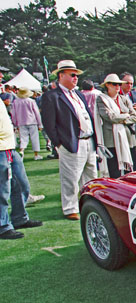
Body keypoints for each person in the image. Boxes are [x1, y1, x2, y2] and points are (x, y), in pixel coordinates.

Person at [41, 60, 97, 220]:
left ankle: (90, 203)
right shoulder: (51, 96)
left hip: (88, 141)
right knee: (71, 177)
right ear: (61, 75)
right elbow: (49, 124)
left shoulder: (78, 94)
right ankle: (70, 208)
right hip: (71, 142)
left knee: (91, 175)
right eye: (72, 75)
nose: (75, 78)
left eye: (77, 75)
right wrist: (59, 143)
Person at [0, 100, 43, 239]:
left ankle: (19, 218)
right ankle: (3, 226)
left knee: (21, 185)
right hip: (2, 148)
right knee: (3, 190)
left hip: (9, 147)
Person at [95, 74, 136, 178]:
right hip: (111, 139)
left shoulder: (124, 99)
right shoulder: (101, 99)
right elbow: (109, 117)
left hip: (128, 138)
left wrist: (121, 119)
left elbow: (134, 117)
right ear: (108, 85)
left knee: (131, 170)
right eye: (115, 84)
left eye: (119, 84)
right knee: (114, 170)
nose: (117, 86)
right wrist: (125, 115)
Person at [11, 88, 43, 160]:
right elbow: (36, 113)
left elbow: (14, 114)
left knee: (23, 138)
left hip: (21, 122)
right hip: (32, 121)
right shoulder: (31, 101)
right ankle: (36, 155)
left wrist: (15, 124)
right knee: (34, 138)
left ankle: (22, 151)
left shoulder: (15, 102)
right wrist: (40, 124)